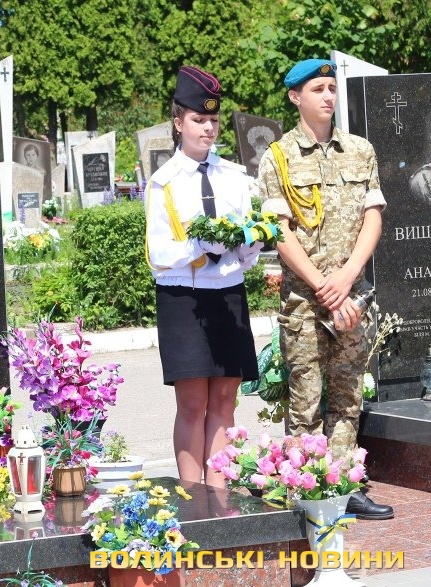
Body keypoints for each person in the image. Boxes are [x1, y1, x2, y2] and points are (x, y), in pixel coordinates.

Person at [257, 58, 393, 520]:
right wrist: (322, 285)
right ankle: (309, 492)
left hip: (351, 296)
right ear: (295, 97)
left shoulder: (360, 150)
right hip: (305, 301)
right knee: (306, 400)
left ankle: (345, 485)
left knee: (348, 395)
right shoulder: (278, 157)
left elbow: (373, 216)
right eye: (318, 89)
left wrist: (348, 277)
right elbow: (278, 231)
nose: (328, 96)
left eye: (332, 88)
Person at [144, 66, 262, 487]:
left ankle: (221, 495)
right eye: (198, 119)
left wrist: (251, 243)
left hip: (227, 294)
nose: (208, 128)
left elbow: (246, 251)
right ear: (178, 122)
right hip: (184, 299)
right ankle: (194, 498)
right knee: (193, 403)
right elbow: (158, 255)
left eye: (213, 119)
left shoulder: (234, 177)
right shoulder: (164, 183)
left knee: (226, 400)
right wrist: (199, 246)